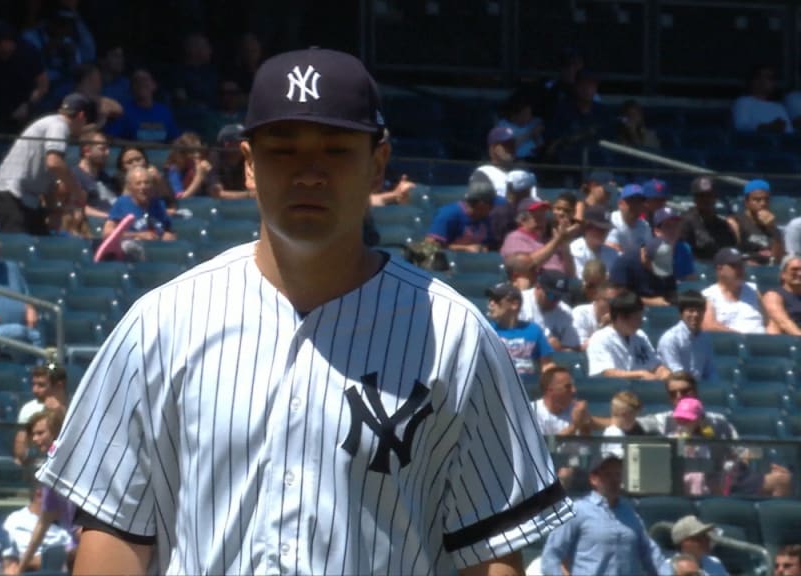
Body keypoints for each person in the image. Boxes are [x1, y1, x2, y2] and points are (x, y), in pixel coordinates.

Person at [37, 48, 572, 575]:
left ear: (377, 164)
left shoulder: (455, 335)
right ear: (248, 165)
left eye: (337, 149)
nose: (310, 172)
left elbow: (490, 554)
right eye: (283, 149)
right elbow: (114, 538)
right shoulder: (160, 324)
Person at [540, 453, 665, 576]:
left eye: (617, 474)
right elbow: (551, 556)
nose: (614, 480)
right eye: (608, 475)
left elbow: (650, 553)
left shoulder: (630, 514)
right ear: (594, 479)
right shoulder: (578, 511)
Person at [0, 93, 95, 235]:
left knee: (41, 240)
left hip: (26, 199)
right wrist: (77, 191)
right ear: (81, 116)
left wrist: (54, 211)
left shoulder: (52, 126)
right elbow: (54, 163)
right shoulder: (59, 126)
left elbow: (47, 178)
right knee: (19, 247)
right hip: (10, 194)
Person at [15, 409, 79, 572]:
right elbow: (42, 525)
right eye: (33, 435)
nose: (35, 439)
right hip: (76, 550)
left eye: (40, 433)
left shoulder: (78, 460)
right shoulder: (50, 473)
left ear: (57, 431)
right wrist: (20, 570)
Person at [0, 21, 48, 134]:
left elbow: (43, 85)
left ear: (6, 42)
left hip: (24, 104)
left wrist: (27, 105)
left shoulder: (28, 52)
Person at [586, 291, 670, 379]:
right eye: (636, 317)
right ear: (620, 317)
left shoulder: (640, 335)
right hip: (616, 390)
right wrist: (640, 374)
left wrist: (665, 373)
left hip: (644, 388)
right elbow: (606, 373)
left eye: (640, 316)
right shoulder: (600, 338)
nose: (640, 321)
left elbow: (655, 366)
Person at [637, 372, 738, 438]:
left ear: (696, 392)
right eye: (673, 393)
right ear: (669, 398)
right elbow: (632, 423)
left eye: (685, 391)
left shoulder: (718, 422)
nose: (679, 396)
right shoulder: (663, 420)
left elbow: (741, 452)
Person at [484, 282, 553, 376]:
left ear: (514, 304)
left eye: (497, 300)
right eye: (490, 299)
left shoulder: (534, 330)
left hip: (528, 387)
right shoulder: (487, 331)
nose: (491, 303)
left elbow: (546, 365)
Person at [6, 483, 75, 573]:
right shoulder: (18, 520)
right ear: (39, 494)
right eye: (60, 499)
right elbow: (22, 558)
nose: (64, 503)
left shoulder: (64, 524)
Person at [500, 198, 578, 275]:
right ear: (522, 220)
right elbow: (526, 266)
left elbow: (571, 273)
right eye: (536, 216)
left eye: (543, 215)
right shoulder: (515, 238)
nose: (541, 220)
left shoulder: (548, 240)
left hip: (561, 283)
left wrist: (564, 244)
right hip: (539, 284)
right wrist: (557, 240)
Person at [702, 247, 766, 334]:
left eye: (741, 265)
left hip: (761, 343)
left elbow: (769, 322)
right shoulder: (709, 295)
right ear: (719, 269)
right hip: (730, 345)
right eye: (734, 266)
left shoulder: (753, 290)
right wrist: (741, 338)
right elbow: (708, 325)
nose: (740, 269)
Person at [425, 171, 495, 251]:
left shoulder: (486, 218)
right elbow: (429, 245)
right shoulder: (448, 215)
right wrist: (465, 249)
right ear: (481, 204)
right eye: (491, 203)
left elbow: (490, 244)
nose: (493, 207)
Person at [106, 68, 179, 143]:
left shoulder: (164, 112)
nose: (140, 83)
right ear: (131, 88)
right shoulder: (123, 112)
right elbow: (111, 138)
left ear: (154, 85)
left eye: (144, 79)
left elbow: (175, 139)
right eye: (136, 81)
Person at [657, 290, 716, 382]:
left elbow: (710, 371)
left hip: (698, 390)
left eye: (699, 310)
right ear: (681, 314)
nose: (695, 315)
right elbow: (676, 372)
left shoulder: (705, 338)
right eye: (691, 311)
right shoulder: (670, 338)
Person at [14, 365, 67, 464]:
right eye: (34, 384)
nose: (35, 390)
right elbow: (20, 452)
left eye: (41, 385)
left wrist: (57, 412)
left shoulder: (74, 407)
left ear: (59, 385)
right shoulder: (29, 409)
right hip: (37, 467)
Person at [531, 365, 603, 436]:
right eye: (568, 387)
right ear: (550, 390)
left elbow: (599, 426)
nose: (574, 390)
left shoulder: (574, 408)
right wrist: (574, 426)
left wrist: (585, 423)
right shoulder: (532, 411)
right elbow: (544, 445)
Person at [519, 269, 581, 351]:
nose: (554, 301)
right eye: (550, 296)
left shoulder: (565, 311)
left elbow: (573, 347)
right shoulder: (520, 303)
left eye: (558, 297)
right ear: (538, 287)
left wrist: (559, 349)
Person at [680, 176, 736, 261]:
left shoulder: (722, 225)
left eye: (709, 195)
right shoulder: (685, 222)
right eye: (701, 196)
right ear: (694, 198)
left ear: (715, 197)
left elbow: (729, 251)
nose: (706, 199)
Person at [609, 238, 678, 307]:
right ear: (645, 256)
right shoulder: (624, 264)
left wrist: (672, 299)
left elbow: (671, 290)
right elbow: (617, 297)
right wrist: (649, 302)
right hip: (632, 310)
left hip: (662, 308)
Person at [728, 179, 783, 265]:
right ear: (746, 202)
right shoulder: (736, 222)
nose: (763, 203)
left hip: (767, 271)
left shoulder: (772, 226)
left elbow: (777, 260)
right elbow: (729, 254)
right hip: (745, 269)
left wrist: (772, 229)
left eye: (766, 199)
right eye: (757, 200)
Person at [658, 516, 729, 576]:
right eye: (698, 538)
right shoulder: (667, 568)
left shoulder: (715, 563)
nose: (706, 541)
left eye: (705, 536)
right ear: (683, 542)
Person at [733, 64, 792, 133]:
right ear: (751, 80)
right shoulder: (743, 102)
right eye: (759, 77)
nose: (763, 81)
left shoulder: (779, 107)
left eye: (769, 78)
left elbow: (790, 132)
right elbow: (740, 127)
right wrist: (768, 127)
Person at [73, 127, 116, 215]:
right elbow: (78, 208)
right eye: (102, 149)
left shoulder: (105, 177)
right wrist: (109, 217)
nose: (108, 153)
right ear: (87, 151)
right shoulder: (75, 176)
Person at [488, 169, 535, 249]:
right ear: (525, 191)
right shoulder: (503, 213)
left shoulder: (496, 208)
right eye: (529, 189)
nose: (530, 192)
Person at [569, 206, 618, 277]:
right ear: (587, 226)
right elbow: (582, 280)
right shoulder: (575, 249)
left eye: (606, 229)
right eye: (600, 229)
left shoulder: (612, 253)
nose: (604, 233)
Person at [164, 132, 213, 199]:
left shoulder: (196, 168)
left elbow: (211, 192)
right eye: (192, 152)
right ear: (182, 154)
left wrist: (208, 176)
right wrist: (199, 176)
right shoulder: (174, 171)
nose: (197, 155)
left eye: (199, 150)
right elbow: (180, 199)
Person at [572, 281, 619, 349]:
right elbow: (581, 347)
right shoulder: (580, 313)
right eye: (610, 301)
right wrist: (603, 327)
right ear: (597, 297)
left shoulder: (619, 317)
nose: (614, 305)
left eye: (617, 301)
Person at [607, 184, 652, 255]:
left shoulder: (645, 226)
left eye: (639, 202)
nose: (635, 206)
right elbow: (613, 250)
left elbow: (647, 254)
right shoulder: (611, 220)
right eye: (632, 202)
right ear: (620, 204)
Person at [474, 126, 517, 197]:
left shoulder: (522, 172)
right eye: (506, 145)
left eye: (513, 145)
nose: (511, 149)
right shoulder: (483, 173)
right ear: (492, 149)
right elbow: (479, 205)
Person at [764, 254, 801, 335]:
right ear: (783, 274)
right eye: (794, 269)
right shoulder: (774, 295)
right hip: (790, 340)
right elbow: (783, 323)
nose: (799, 274)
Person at [600, 390, 645, 455]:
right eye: (633, 417)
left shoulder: (615, 432)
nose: (635, 421)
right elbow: (621, 459)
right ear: (624, 415)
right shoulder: (614, 434)